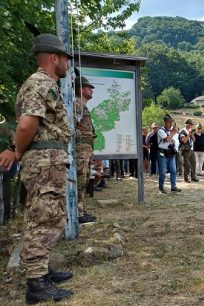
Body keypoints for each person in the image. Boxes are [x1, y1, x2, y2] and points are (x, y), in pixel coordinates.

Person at [14, 33, 74, 304]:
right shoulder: (39, 82)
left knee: (48, 215)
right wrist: (17, 151)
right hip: (44, 163)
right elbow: (27, 124)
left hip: (49, 162)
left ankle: (42, 272)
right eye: (65, 58)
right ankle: (36, 284)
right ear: (53, 58)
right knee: (44, 218)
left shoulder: (47, 84)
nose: (68, 64)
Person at [75, 76, 97, 224]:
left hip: (86, 150)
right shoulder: (77, 105)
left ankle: (81, 210)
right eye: (89, 87)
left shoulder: (82, 105)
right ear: (82, 89)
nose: (91, 90)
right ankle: (78, 212)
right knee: (80, 181)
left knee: (85, 180)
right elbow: (72, 126)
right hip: (81, 150)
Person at [157, 114, 181, 193]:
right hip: (162, 153)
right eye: (168, 122)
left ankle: (173, 186)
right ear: (164, 122)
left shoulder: (171, 131)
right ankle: (161, 187)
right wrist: (173, 133)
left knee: (173, 170)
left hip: (171, 152)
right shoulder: (160, 130)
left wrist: (173, 140)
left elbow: (173, 140)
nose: (170, 124)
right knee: (163, 172)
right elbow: (166, 139)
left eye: (171, 122)